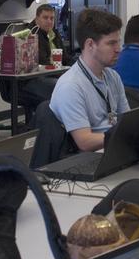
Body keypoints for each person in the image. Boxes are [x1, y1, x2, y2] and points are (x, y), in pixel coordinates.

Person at [48, 9, 130, 153]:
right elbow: (84, 142)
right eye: (111, 43)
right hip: (90, 158)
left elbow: (127, 121)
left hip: (115, 149)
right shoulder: (71, 86)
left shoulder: (112, 76)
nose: (118, 49)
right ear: (90, 44)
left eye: (118, 42)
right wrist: (124, 136)